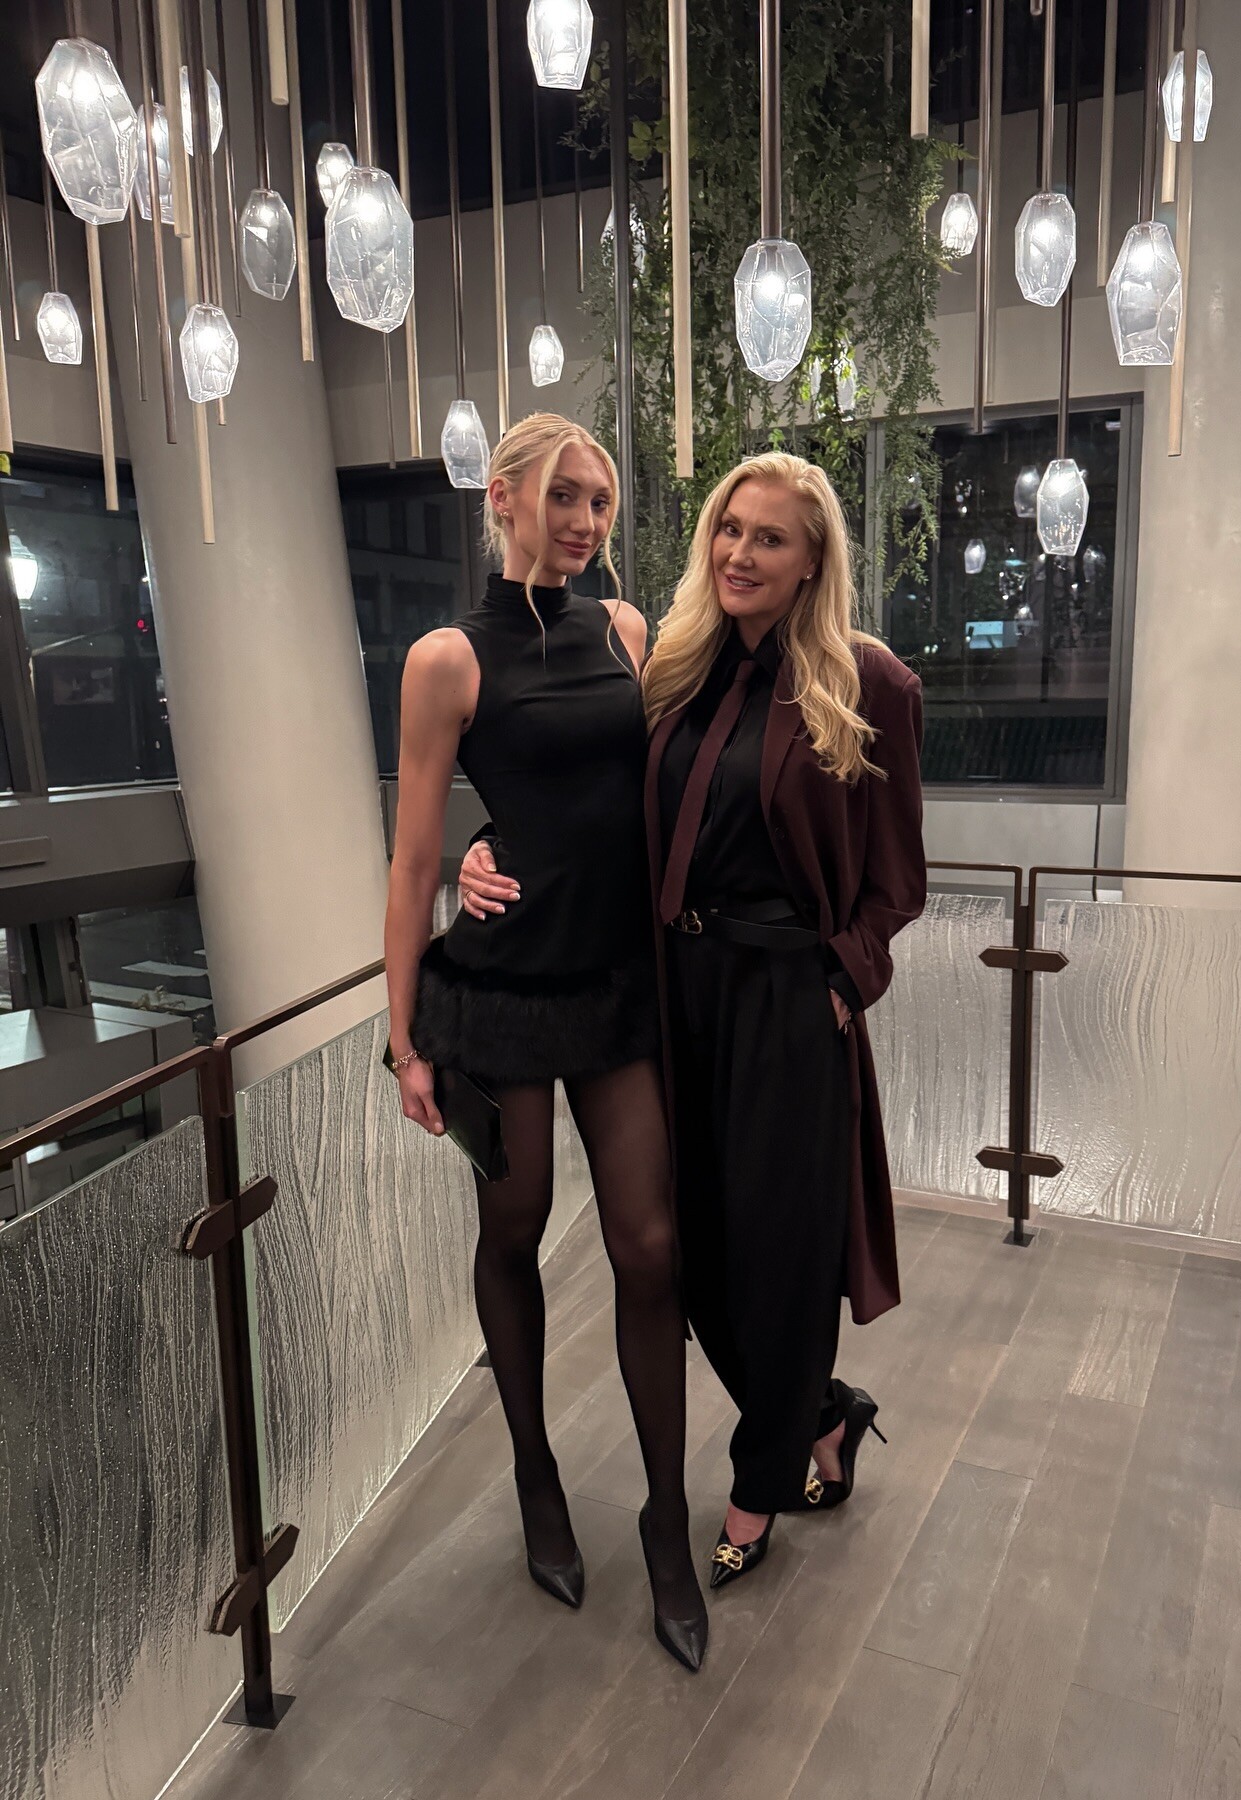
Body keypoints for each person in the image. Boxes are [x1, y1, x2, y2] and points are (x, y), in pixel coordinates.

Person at [460, 450, 926, 1589]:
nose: (740, 553)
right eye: (729, 529)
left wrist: (843, 977)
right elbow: (584, 800)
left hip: (787, 1001)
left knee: (782, 1256)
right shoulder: (675, 668)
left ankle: (760, 1482)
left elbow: (899, 880)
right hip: (675, 993)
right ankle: (823, 1412)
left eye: (770, 538)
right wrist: (487, 846)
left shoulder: (868, 681)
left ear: (812, 561)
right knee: (692, 1254)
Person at [384, 412, 707, 1672]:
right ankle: (534, 1474)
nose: (585, 521)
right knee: (512, 1228)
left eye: (601, 502)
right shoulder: (445, 659)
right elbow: (415, 857)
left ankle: (667, 1520)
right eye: (565, 496)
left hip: (615, 978)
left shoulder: (624, 629)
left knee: (649, 1246)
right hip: (506, 988)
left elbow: (648, 789)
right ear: (504, 498)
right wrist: (404, 1039)